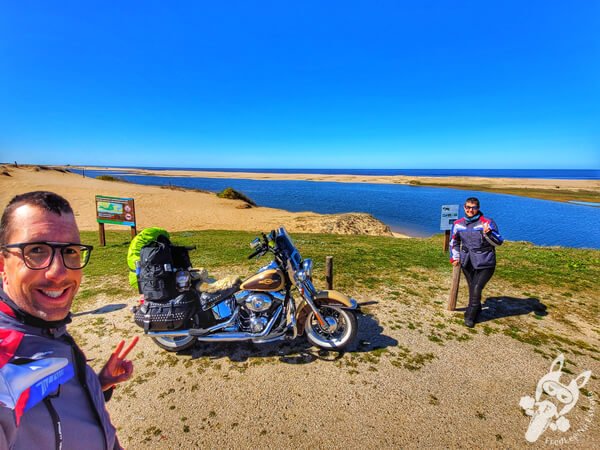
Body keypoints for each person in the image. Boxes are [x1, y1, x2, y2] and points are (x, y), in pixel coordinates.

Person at [0, 191, 138, 449]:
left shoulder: (44, 327)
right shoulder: (6, 351)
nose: (59, 272)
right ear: (2, 264)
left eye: (70, 251)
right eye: (37, 250)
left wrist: (98, 383)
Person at [449, 197, 503, 328]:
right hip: (467, 261)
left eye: (473, 208)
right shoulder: (458, 224)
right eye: (467, 207)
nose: (470, 210)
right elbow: (454, 242)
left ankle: (470, 315)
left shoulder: (487, 222)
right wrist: (455, 257)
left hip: (485, 262)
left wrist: (488, 234)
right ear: (464, 208)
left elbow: (499, 242)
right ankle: (477, 307)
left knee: (476, 287)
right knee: (472, 287)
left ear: (478, 208)